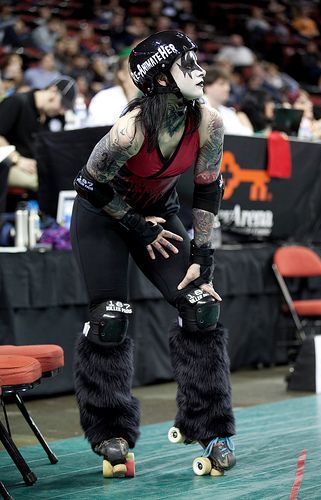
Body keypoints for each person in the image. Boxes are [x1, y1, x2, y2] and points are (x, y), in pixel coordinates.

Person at [71, 30, 236, 476]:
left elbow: (207, 189)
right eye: (189, 64)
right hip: (104, 218)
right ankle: (109, 428)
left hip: (159, 218)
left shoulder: (209, 122)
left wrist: (204, 254)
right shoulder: (129, 130)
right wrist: (135, 225)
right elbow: (87, 183)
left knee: (201, 305)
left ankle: (210, 424)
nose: (201, 72)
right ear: (161, 77)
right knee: (110, 317)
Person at [0, 76, 76, 192]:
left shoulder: (55, 117)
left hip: (36, 166)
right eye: (62, 104)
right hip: (9, 164)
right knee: (48, 184)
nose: (62, 111)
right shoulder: (18, 102)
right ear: (52, 91)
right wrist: (17, 159)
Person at [86, 53, 138, 127]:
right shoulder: (104, 99)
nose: (140, 73)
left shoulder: (151, 97)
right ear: (121, 74)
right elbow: (97, 133)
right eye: (134, 68)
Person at [203, 65, 253, 135]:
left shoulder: (228, 112)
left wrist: (243, 118)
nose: (227, 88)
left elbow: (246, 135)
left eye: (228, 85)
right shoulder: (196, 108)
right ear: (207, 87)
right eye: (221, 84)